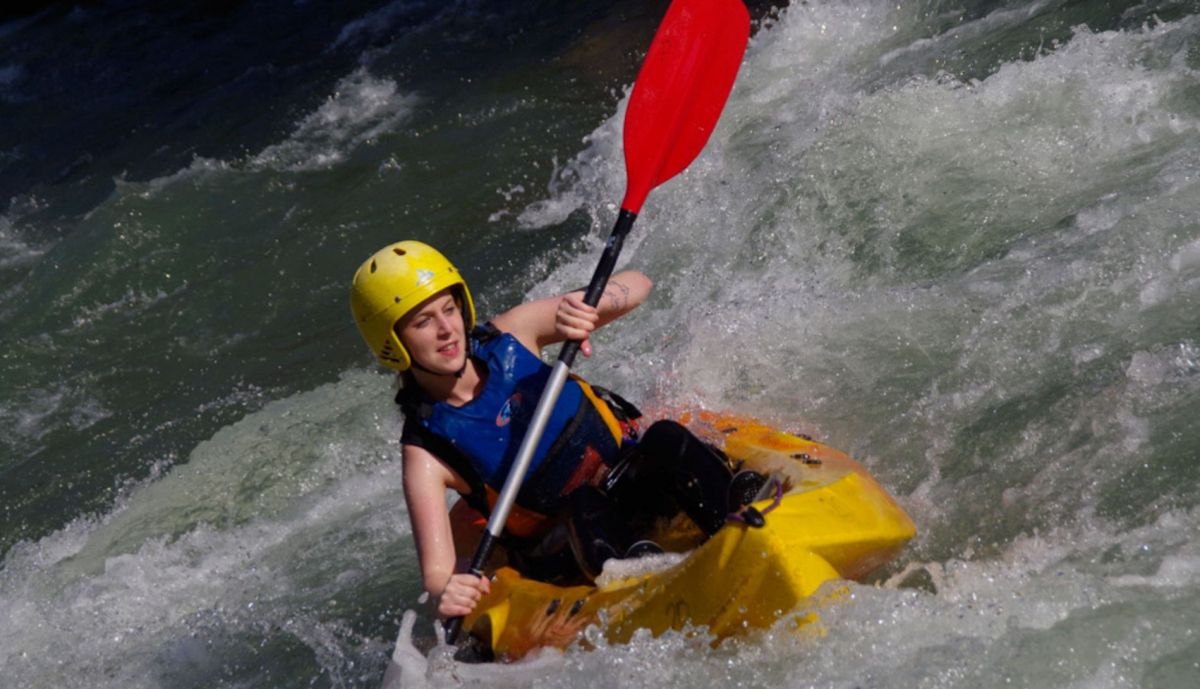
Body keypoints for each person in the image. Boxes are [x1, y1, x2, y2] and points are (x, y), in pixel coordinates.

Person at [350, 240, 764, 620]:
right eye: (423, 321)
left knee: (666, 437)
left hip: (632, 485)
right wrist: (448, 591)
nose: (446, 330)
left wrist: (583, 308)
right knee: (584, 504)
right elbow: (437, 574)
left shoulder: (513, 334)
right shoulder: (426, 450)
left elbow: (639, 284)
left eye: (449, 309)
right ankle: (650, 586)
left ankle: (742, 519)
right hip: (570, 546)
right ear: (393, 343)